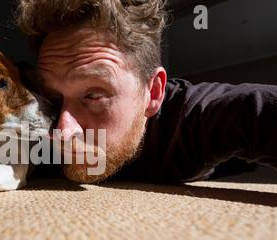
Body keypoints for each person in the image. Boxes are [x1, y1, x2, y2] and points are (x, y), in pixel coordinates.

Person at [15, 0, 277, 183]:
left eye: (93, 95)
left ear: (153, 93)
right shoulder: (40, 128)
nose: (63, 131)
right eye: (53, 98)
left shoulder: (195, 116)